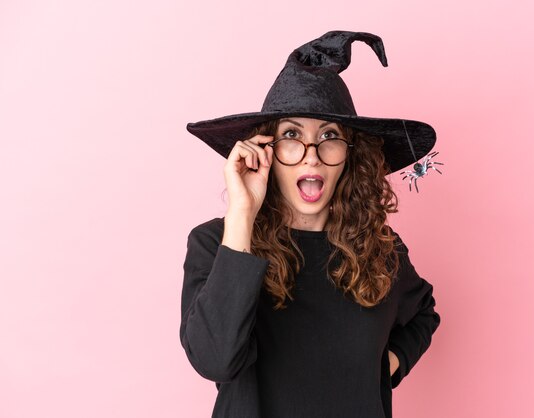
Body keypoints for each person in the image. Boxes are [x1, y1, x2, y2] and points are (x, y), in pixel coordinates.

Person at [180, 31, 441, 418]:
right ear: (265, 149)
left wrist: (386, 368)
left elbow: (424, 312)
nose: (311, 155)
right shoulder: (215, 241)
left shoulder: (381, 248)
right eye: (291, 135)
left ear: (350, 155)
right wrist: (242, 215)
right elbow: (215, 360)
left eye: (329, 136)